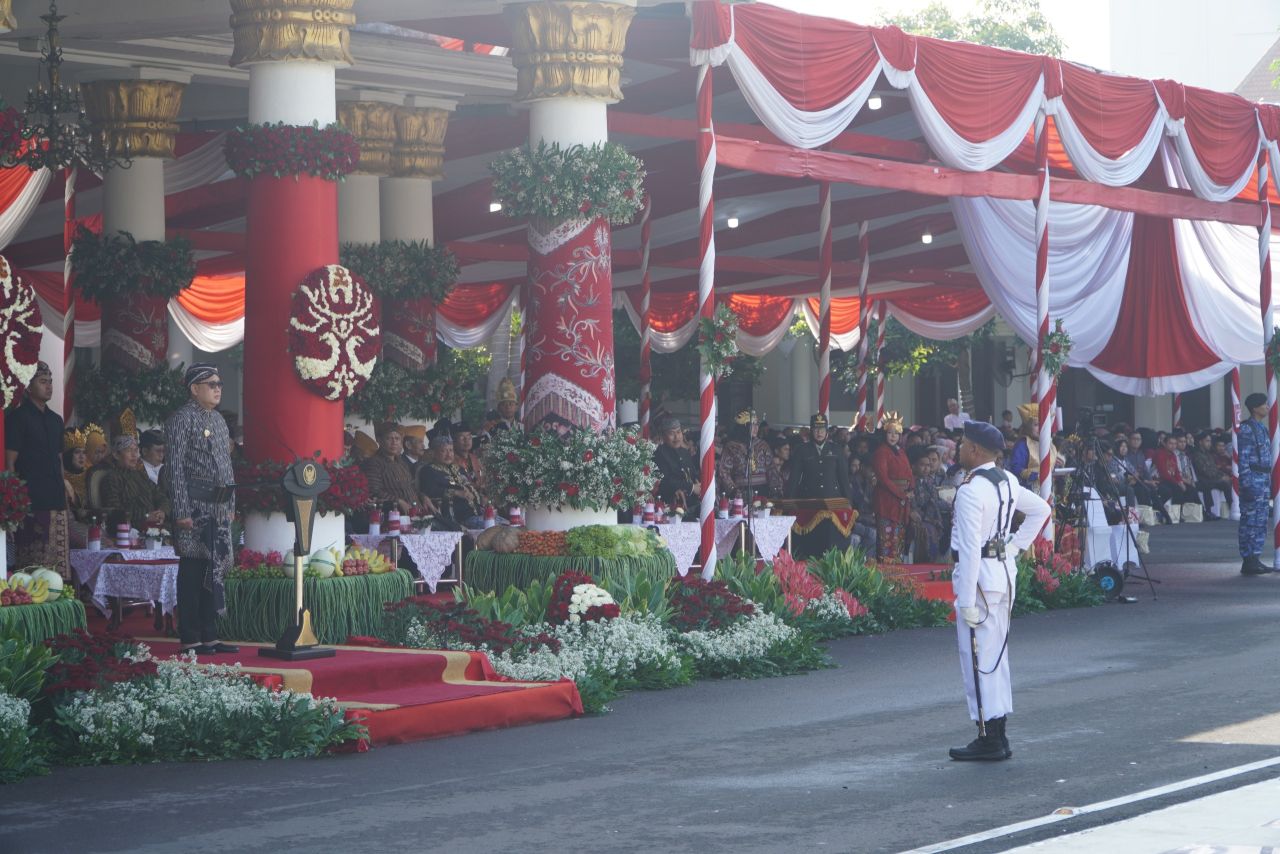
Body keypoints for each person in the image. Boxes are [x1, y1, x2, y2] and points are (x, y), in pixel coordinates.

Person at [949, 421, 1052, 762]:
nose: (959, 449)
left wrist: (964, 602)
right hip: (1003, 575)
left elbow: (967, 550)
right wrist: (1015, 548)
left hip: (979, 582)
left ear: (975, 450)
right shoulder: (1007, 479)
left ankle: (989, 738)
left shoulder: (970, 490)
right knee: (996, 659)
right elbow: (1041, 509)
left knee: (977, 660)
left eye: (963, 444)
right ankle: (998, 733)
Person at [163, 363, 238, 656]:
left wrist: (230, 505)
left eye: (219, 383)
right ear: (195, 389)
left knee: (215, 570)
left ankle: (211, 635)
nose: (218, 388)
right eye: (211, 384)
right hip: (193, 506)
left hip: (218, 508)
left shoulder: (218, 420)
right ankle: (190, 637)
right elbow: (175, 468)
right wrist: (181, 509)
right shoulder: (181, 419)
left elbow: (226, 467)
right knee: (193, 571)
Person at [4, 362, 69, 575]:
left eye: (50, 382)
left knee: (57, 566)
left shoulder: (56, 420)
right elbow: (10, 461)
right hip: (30, 500)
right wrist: (13, 500)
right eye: (43, 382)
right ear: (29, 387)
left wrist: (64, 490)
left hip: (55, 497)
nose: (49, 386)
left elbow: (59, 459)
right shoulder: (18, 417)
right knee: (32, 564)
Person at [786, 413, 853, 558]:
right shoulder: (802, 450)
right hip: (810, 502)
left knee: (831, 543)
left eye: (822, 429)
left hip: (832, 503)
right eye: (816, 429)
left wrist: (849, 502)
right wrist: (789, 502)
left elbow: (844, 479)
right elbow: (794, 479)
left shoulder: (836, 450)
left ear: (827, 431)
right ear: (811, 430)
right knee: (811, 544)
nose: (819, 432)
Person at [99, 434, 170, 532]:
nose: (134, 455)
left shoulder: (140, 475)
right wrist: (146, 516)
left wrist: (162, 512)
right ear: (116, 455)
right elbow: (116, 511)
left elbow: (161, 496)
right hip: (130, 529)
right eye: (129, 450)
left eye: (136, 450)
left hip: (154, 526)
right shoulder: (111, 478)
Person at [1237, 392, 1273, 575]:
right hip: (1253, 478)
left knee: (1261, 520)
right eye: (1264, 404)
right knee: (1250, 520)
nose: (1267, 407)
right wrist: (1246, 481)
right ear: (1254, 408)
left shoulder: (1263, 429)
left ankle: (1255, 557)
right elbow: (1243, 459)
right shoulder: (1246, 429)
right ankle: (1248, 558)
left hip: (1264, 479)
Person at [871, 412, 913, 561]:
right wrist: (901, 494)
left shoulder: (901, 452)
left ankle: (897, 570)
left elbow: (909, 473)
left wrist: (911, 489)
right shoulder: (881, 452)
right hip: (886, 500)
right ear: (884, 434)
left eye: (896, 433)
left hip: (901, 502)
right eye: (890, 433)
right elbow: (883, 478)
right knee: (887, 539)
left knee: (898, 538)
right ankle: (886, 571)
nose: (893, 436)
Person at [418, 433, 481, 528]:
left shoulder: (458, 468)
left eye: (451, 450)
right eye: (444, 451)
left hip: (477, 513)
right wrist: (454, 492)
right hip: (456, 518)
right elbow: (429, 491)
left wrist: (479, 497)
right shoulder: (428, 470)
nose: (449, 454)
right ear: (434, 453)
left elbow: (468, 484)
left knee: (505, 525)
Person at [718, 409, 782, 499]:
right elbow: (723, 471)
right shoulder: (731, 447)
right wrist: (733, 490)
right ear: (744, 427)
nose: (756, 428)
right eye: (752, 425)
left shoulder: (763, 445)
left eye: (757, 424)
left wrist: (775, 489)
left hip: (762, 492)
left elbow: (771, 469)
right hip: (740, 492)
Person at [360, 422, 420, 516]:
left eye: (397, 439)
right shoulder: (374, 463)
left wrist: (423, 497)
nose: (394, 442)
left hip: (415, 512)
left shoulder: (401, 462)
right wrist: (398, 501)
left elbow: (411, 486)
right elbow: (375, 491)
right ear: (379, 440)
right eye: (389, 438)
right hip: (394, 514)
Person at [1007, 403, 1056, 489]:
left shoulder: (1050, 445)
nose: (1040, 428)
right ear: (1028, 426)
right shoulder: (1023, 445)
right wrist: (1035, 475)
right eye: (1036, 425)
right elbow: (1015, 468)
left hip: (1048, 489)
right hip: (1029, 490)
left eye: (1043, 424)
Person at [653, 417, 699, 506]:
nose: (676, 437)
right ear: (663, 436)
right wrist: (692, 487)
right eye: (671, 433)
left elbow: (692, 474)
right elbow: (665, 481)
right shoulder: (659, 454)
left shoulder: (685, 452)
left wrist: (698, 482)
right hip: (671, 503)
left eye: (678, 432)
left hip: (692, 502)